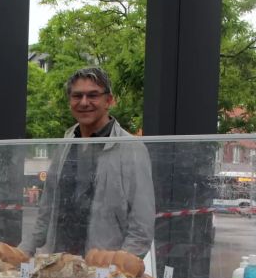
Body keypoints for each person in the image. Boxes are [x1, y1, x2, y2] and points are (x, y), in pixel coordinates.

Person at [20, 67, 155, 258]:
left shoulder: (131, 148)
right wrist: (23, 251)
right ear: (70, 101)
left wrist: (117, 270)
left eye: (93, 95)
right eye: (77, 96)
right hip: (60, 263)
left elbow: (141, 225)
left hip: (103, 271)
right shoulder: (67, 141)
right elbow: (47, 208)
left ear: (109, 100)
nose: (84, 102)